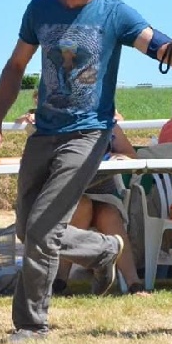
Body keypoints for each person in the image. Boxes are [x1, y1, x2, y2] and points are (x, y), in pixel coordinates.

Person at [0, 0, 172, 343]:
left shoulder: (115, 12)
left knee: (43, 227)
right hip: (44, 133)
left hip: (89, 134)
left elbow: (158, 46)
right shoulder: (39, 9)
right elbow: (14, 67)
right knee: (29, 229)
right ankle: (104, 251)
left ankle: (31, 325)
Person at [52, 122, 150, 296]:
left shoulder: (109, 124)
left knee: (109, 214)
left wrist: (118, 157)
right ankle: (60, 279)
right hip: (69, 192)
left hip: (104, 192)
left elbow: (133, 157)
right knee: (82, 206)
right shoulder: (61, 123)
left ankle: (134, 283)